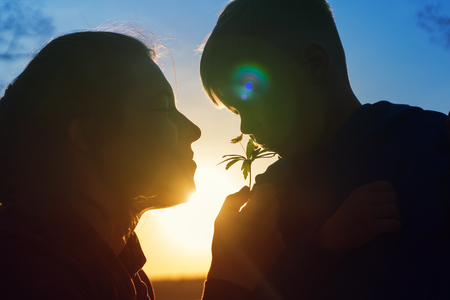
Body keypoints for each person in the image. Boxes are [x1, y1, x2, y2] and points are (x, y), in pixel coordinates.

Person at [0, 31, 286, 300]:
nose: (194, 130)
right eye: (162, 107)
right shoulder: (25, 272)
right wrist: (230, 280)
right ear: (88, 135)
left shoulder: (124, 270)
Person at [199, 0, 450, 299]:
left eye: (250, 100)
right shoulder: (273, 194)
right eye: (236, 112)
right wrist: (324, 242)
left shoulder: (430, 143)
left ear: (314, 63)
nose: (245, 127)